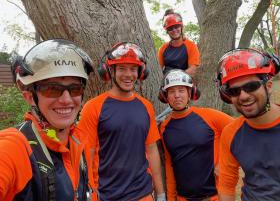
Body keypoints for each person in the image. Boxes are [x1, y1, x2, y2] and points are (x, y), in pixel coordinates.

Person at [0, 39, 98, 201]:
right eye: (52, 89)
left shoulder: (79, 141)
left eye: (75, 89)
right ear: (30, 97)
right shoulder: (16, 147)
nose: (66, 99)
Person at [78, 42, 166, 201]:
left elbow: (152, 151)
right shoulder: (93, 107)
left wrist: (160, 194)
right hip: (106, 195)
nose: (128, 74)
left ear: (141, 72)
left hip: (143, 194)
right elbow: (86, 155)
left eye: (133, 69)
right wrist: (90, 194)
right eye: (122, 69)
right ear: (110, 71)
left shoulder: (146, 107)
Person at [216, 48, 280, 200]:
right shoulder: (231, 133)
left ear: (268, 86)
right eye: (234, 91)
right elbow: (226, 186)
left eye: (251, 86)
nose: (243, 96)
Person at [158, 69, 234, 201]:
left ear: (190, 92)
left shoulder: (209, 116)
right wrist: (170, 198)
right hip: (183, 198)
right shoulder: (165, 128)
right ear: (165, 96)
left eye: (181, 90)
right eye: (171, 91)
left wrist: (224, 163)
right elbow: (170, 166)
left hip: (216, 196)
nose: (177, 95)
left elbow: (241, 131)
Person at [157, 9, 200, 77]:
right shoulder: (163, 48)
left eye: (176, 26)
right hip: (167, 82)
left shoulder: (191, 45)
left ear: (181, 27)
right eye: (170, 28)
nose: (174, 30)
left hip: (185, 82)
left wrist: (175, 78)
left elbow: (192, 70)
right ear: (167, 31)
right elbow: (157, 69)